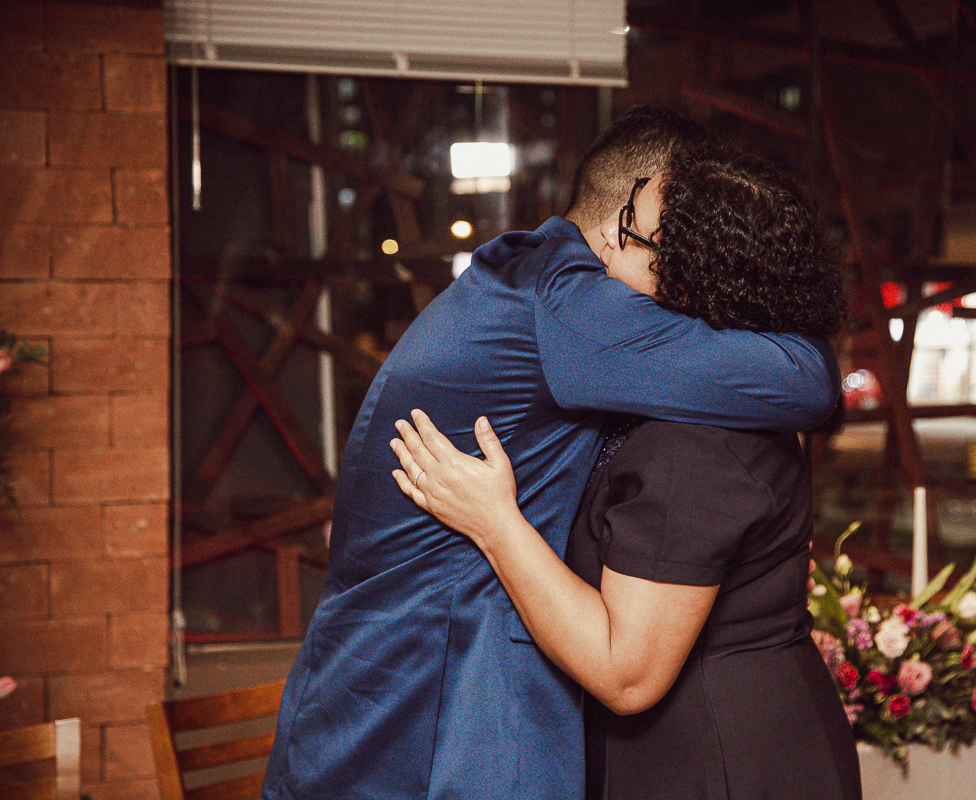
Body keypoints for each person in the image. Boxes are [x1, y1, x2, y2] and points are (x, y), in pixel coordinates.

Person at [261, 108, 842, 800]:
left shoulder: (531, 275)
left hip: (414, 679)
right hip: (424, 697)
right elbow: (806, 382)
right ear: (628, 219)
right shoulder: (572, 305)